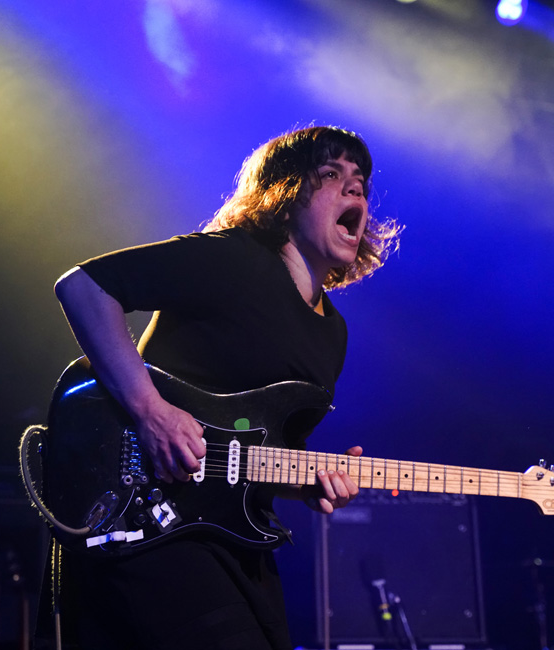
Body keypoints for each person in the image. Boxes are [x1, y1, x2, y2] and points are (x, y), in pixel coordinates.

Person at [35, 126, 401, 650]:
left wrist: (310, 481)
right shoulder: (233, 259)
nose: (354, 192)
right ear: (284, 195)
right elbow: (84, 287)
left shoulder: (332, 331)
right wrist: (151, 413)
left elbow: (260, 450)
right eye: (331, 175)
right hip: (144, 514)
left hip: (227, 535)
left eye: (360, 185)